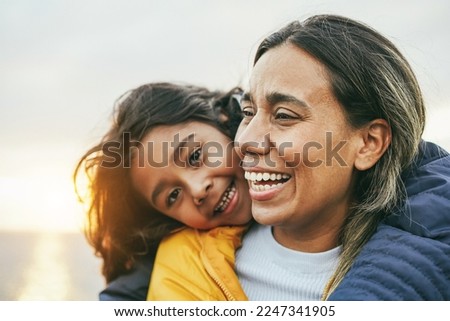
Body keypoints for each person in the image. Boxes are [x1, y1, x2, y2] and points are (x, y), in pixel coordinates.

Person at [146, 14, 450, 300]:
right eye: (249, 112)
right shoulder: (192, 271)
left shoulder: (418, 273)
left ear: (368, 143)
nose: (247, 141)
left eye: (284, 116)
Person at [74, 82, 253, 300]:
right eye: (173, 196)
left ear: (222, 117)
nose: (197, 190)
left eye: (194, 156)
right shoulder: (174, 268)